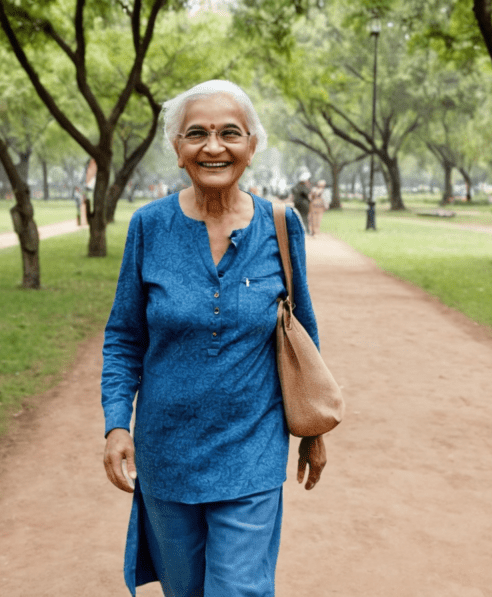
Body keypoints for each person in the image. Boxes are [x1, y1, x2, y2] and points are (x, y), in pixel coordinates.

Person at [101, 80, 328, 597]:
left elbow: (303, 332)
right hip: (168, 456)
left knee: (239, 591)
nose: (213, 146)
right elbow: (123, 337)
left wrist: (314, 428)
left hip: (252, 450)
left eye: (230, 133)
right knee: (186, 591)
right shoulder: (148, 227)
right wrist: (117, 425)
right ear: (178, 150)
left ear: (251, 146)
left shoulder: (281, 224)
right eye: (196, 134)